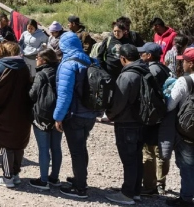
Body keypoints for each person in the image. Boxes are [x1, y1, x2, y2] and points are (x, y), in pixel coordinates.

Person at [53, 31, 99, 199]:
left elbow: (64, 95)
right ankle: (80, 178)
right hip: (90, 114)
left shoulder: (68, 64)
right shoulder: (91, 61)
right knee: (81, 148)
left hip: (75, 115)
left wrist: (58, 117)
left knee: (77, 151)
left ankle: (80, 188)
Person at [0, 40, 32, 188]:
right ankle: (16, 174)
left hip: (4, 112)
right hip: (22, 111)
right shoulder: (25, 67)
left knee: (5, 144)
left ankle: (7, 177)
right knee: (18, 143)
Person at [105, 44, 147, 205]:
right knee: (136, 157)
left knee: (128, 160)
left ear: (123, 58)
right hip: (141, 121)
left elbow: (118, 102)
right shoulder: (145, 71)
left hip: (126, 123)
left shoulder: (127, 76)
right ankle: (136, 191)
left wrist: (110, 115)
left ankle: (127, 194)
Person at [138, 42, 172, 196]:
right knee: (160, 152)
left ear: (149, 55)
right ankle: (160, 183)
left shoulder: (150, 71)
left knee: (148, 151)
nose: (140, 55)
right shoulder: (164, 68)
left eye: (142, 53)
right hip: (163, 115)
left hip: (152, 118)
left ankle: (149, 187)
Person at [164, 47, 194, 206]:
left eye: (184, 61)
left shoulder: (184, 81)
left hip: (187, 133)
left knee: (187, 166)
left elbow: (169, 106)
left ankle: (186, 198)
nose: (181, 64)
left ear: (191, 64)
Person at [29, 48, 62, 190]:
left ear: (43, 60)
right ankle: (54, 178)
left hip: (42, 116)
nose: (36, 59)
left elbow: (32, 95)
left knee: (43, 149)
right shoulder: (61, 71)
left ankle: (43, 180)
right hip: (58, 115)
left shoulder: (41, 74)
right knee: (56, 147)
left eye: (37, 57)